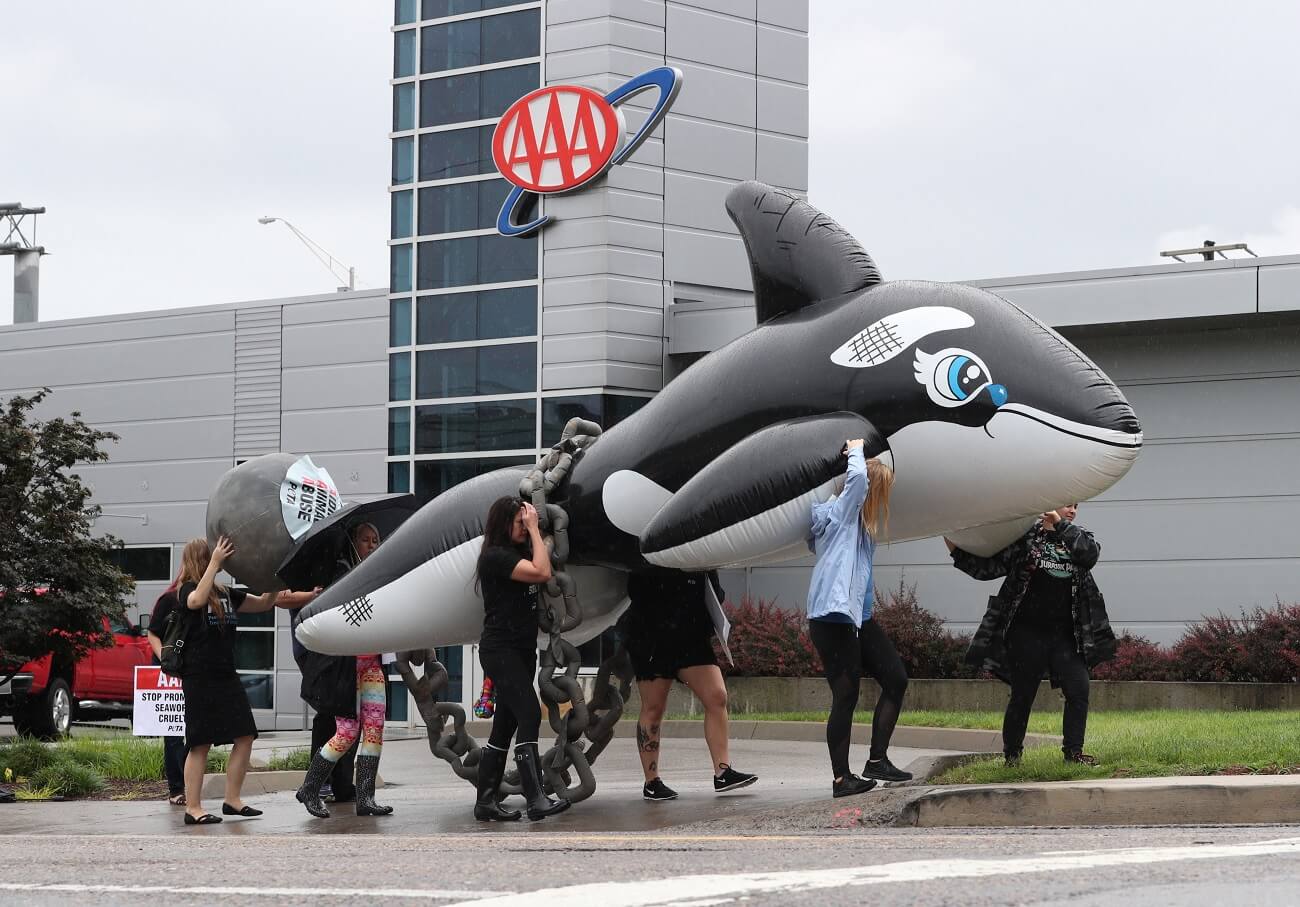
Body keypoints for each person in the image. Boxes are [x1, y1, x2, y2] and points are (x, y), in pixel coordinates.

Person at [945, 503, 1116, 766]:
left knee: (1079, 690)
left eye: (1076, 506)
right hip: (1026, 633)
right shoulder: (1026, 538)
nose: (1072, 510)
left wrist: (1060, 524)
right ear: (1049, 501)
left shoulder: (1079, 537)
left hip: (1067, 636)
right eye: (1067, 505)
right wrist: (953, 546)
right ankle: (1012, 756)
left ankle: (1073, 754)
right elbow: (988, 569)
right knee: (1022, 696)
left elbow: (1089, 555)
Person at [806, 438, 911, 798]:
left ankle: (877, 760)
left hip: (856, 619)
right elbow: (858, 483)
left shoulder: (860, 527)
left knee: (895, 678)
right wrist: (856, 448)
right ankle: (841, 779)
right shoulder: (841, 517)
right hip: (831, 617)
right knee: (846, 695)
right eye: (882, 492)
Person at [174, 536, 288, 825]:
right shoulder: (187, 590)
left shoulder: (226, 592)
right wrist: (215, 563)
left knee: (245, 735)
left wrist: (275, 579)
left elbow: (263, 604)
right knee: (200, 742)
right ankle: (193, 808)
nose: (219, 557)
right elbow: (196, 601)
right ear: (201, 559)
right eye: (211, 555)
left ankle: (232, 800)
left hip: (226, 674)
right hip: (199, 676)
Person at [472, 496, 569, 822]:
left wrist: (534, 529)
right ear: (504, 524)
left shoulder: (516, 554)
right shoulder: (495, 557)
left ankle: (485, 802)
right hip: (500, 649)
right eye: (519, 524)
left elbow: (544, 562)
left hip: (521, 650)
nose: (525, 530)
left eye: (525, 524)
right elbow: (542, 571)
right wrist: (533, 527)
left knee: (505, 725)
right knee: (528, 713)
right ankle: (535, 799)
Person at [623, 568, 757, 801]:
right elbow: (634, 587)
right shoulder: (647, 549)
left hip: (691, 633)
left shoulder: (700, 549)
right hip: (652, 633)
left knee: (717, 696)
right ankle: (652, 781)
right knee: (653, 707)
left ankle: (723, 771)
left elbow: (715, 591)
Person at [295, 522, 393, 819]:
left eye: (376, 539)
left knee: (374, 729)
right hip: (345, 666)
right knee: (348, 732)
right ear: (353, 543)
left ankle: (366, 797)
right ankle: (310, 788)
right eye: (366, 540)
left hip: (371, 662)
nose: (373, 545)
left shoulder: (378, 574)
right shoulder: (341, 573)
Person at [145, 582, 188, 805]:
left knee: (193, 731)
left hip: (192, 669)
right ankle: (177, 789)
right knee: (173, 732)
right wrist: (166, 660)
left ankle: (186, 784)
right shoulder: (169, 600)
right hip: (170, 671)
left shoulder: (207, 599)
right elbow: (152, 633)